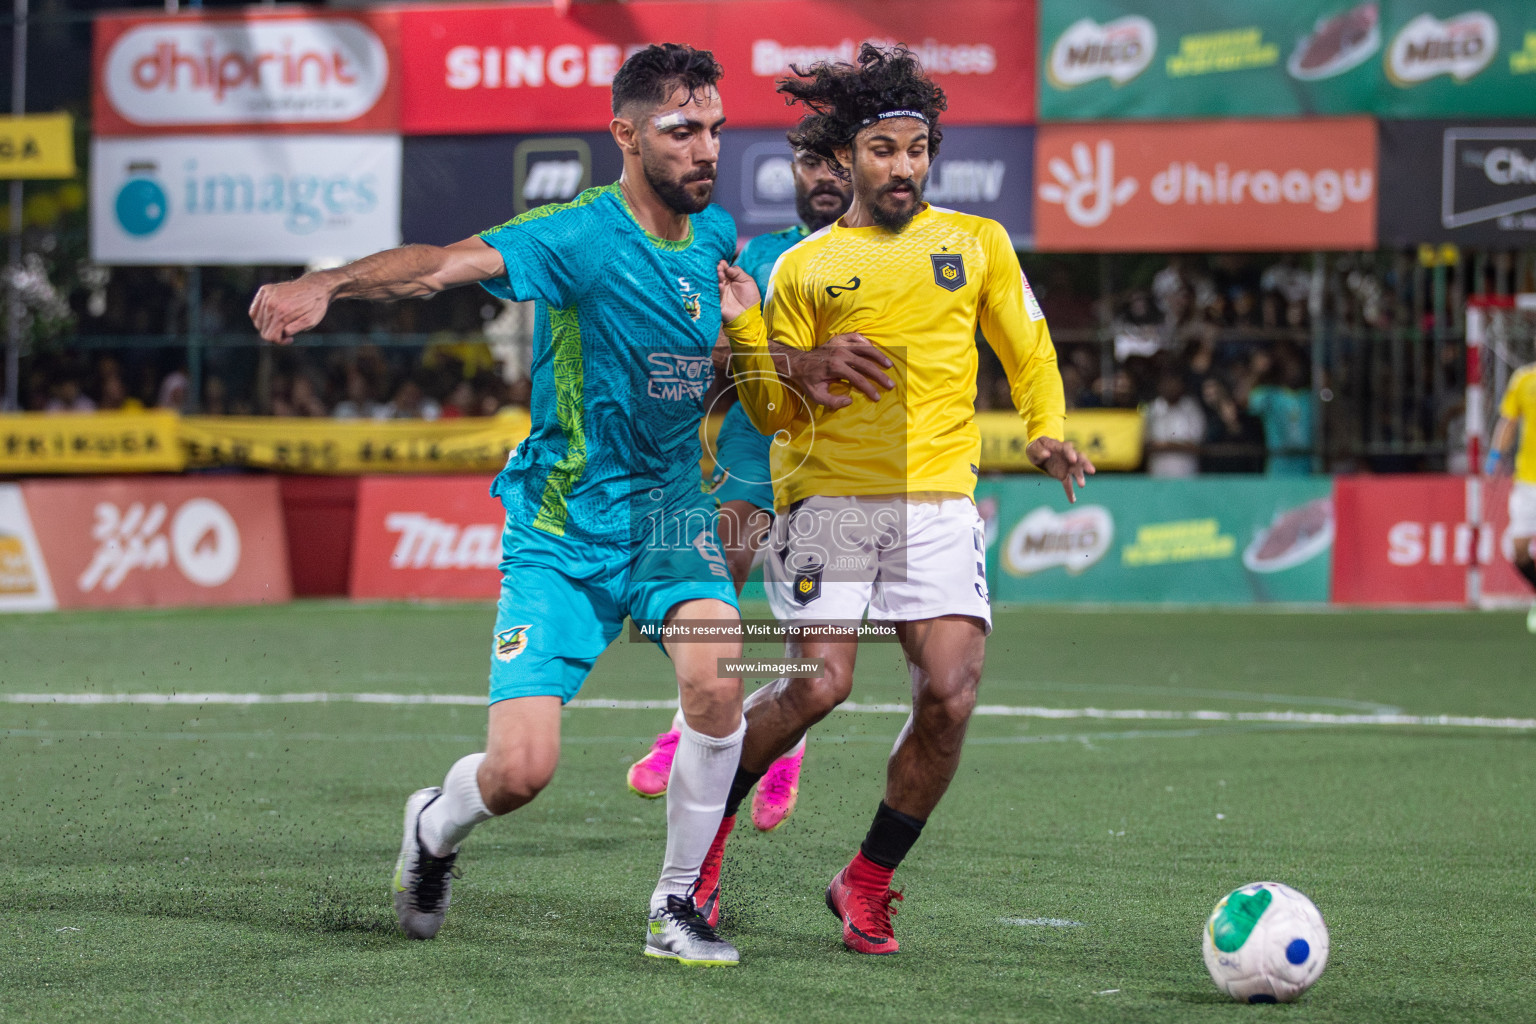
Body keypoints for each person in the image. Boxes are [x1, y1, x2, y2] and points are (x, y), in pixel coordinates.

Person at [248, 44, 748, 966]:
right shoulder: (574, 235)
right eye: (684, 131)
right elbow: (437, 265)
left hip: (671, 523)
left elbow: (700, 370)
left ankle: (676, 906)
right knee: (521, 773)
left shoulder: (716, 240)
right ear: (627, 135)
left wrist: (749, 344)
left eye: (716, 128)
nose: (707, 148)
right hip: (562, 532)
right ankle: (435, 828)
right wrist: (327, 282)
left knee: (718, 676)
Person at [712, 44, 1091, 954]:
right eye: (883, 150)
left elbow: (1028, 346)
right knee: (820, 687)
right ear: (847, 160)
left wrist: (1044, 426)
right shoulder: (803, 268)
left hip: (939, 501)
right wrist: (749, 333)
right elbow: (768, 410)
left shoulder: (976, 244)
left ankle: (867, 880)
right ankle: (703, 851)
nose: (904, 167)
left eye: (916, 149)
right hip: (829, 498)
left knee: (951, 698)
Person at [625, 143, 852, 837]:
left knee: (808, 625)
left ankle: (788, 739)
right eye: (812, 163)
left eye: (839, 164)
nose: (824, 178)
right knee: (720, 575)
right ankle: (686, 726)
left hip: (835, 451)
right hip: (756, 437)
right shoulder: (758, 254)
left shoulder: (878, 255)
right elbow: (715, 343)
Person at [1486, 361, 1536, 633]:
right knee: (1518, 550)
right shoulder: (1524, 379)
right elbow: (1509, 421)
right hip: (1528, 481)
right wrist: (1495, 455)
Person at [1144, 370, 1205, 478]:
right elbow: (1145, 445)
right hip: (1157, 477)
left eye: (1174, 382)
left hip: (1187, 475)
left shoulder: (1191, 408)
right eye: (1166, 382)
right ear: (1159, 385)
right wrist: (1179, 445)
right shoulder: (1152, 409)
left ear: (1181, 384)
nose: (1170, 386)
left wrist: (1165, 445)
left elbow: (1197, 446)